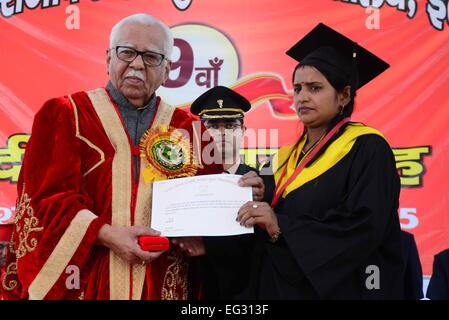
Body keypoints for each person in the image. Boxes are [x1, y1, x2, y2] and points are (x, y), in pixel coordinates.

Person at [0, 14, 231, 300]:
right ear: (109, 58)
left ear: (167, 69)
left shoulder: (190, 130)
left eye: (151, 57)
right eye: (127, 52)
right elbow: (48, 198)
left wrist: (235, 199)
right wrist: (107, 234)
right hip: (87, 278)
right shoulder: (65, 114)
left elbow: (206, 206)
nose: (137, 64)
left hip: (160, 281)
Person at [237, 23, 405, 299]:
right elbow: (261, 216)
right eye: (297, 88)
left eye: (315, 88)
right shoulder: (283, 156)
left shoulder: (367, 148)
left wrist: (281, 226)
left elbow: (364, 228)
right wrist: (255, 192)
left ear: (344, 95)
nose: (302, 97)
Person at [171, 86, 257, 299]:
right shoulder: (182, 183)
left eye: (230, 125)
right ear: (199, 134)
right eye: (212, 125)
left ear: (244, 132)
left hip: (244, 292)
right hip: (192, 289)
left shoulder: (262, 184)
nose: (221, 133)